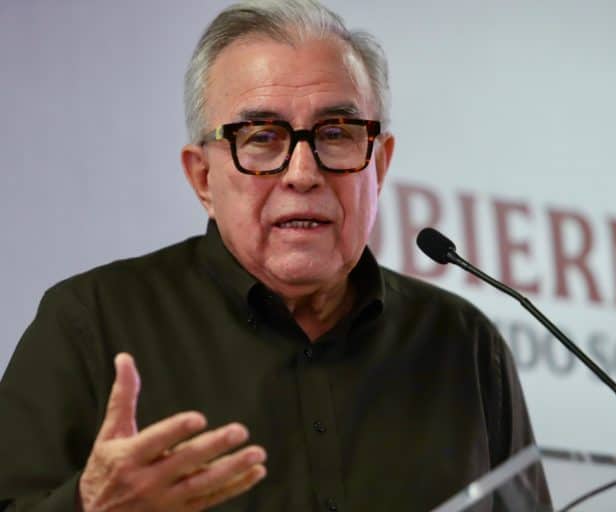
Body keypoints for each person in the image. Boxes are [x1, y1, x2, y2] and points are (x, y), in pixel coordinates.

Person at [0, 1, 549, 510]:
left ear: (378, 166)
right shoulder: (92, 322)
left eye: (336, 133)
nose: (303, 174)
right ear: (202, 177)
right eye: (262, 137)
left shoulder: (463, 346)